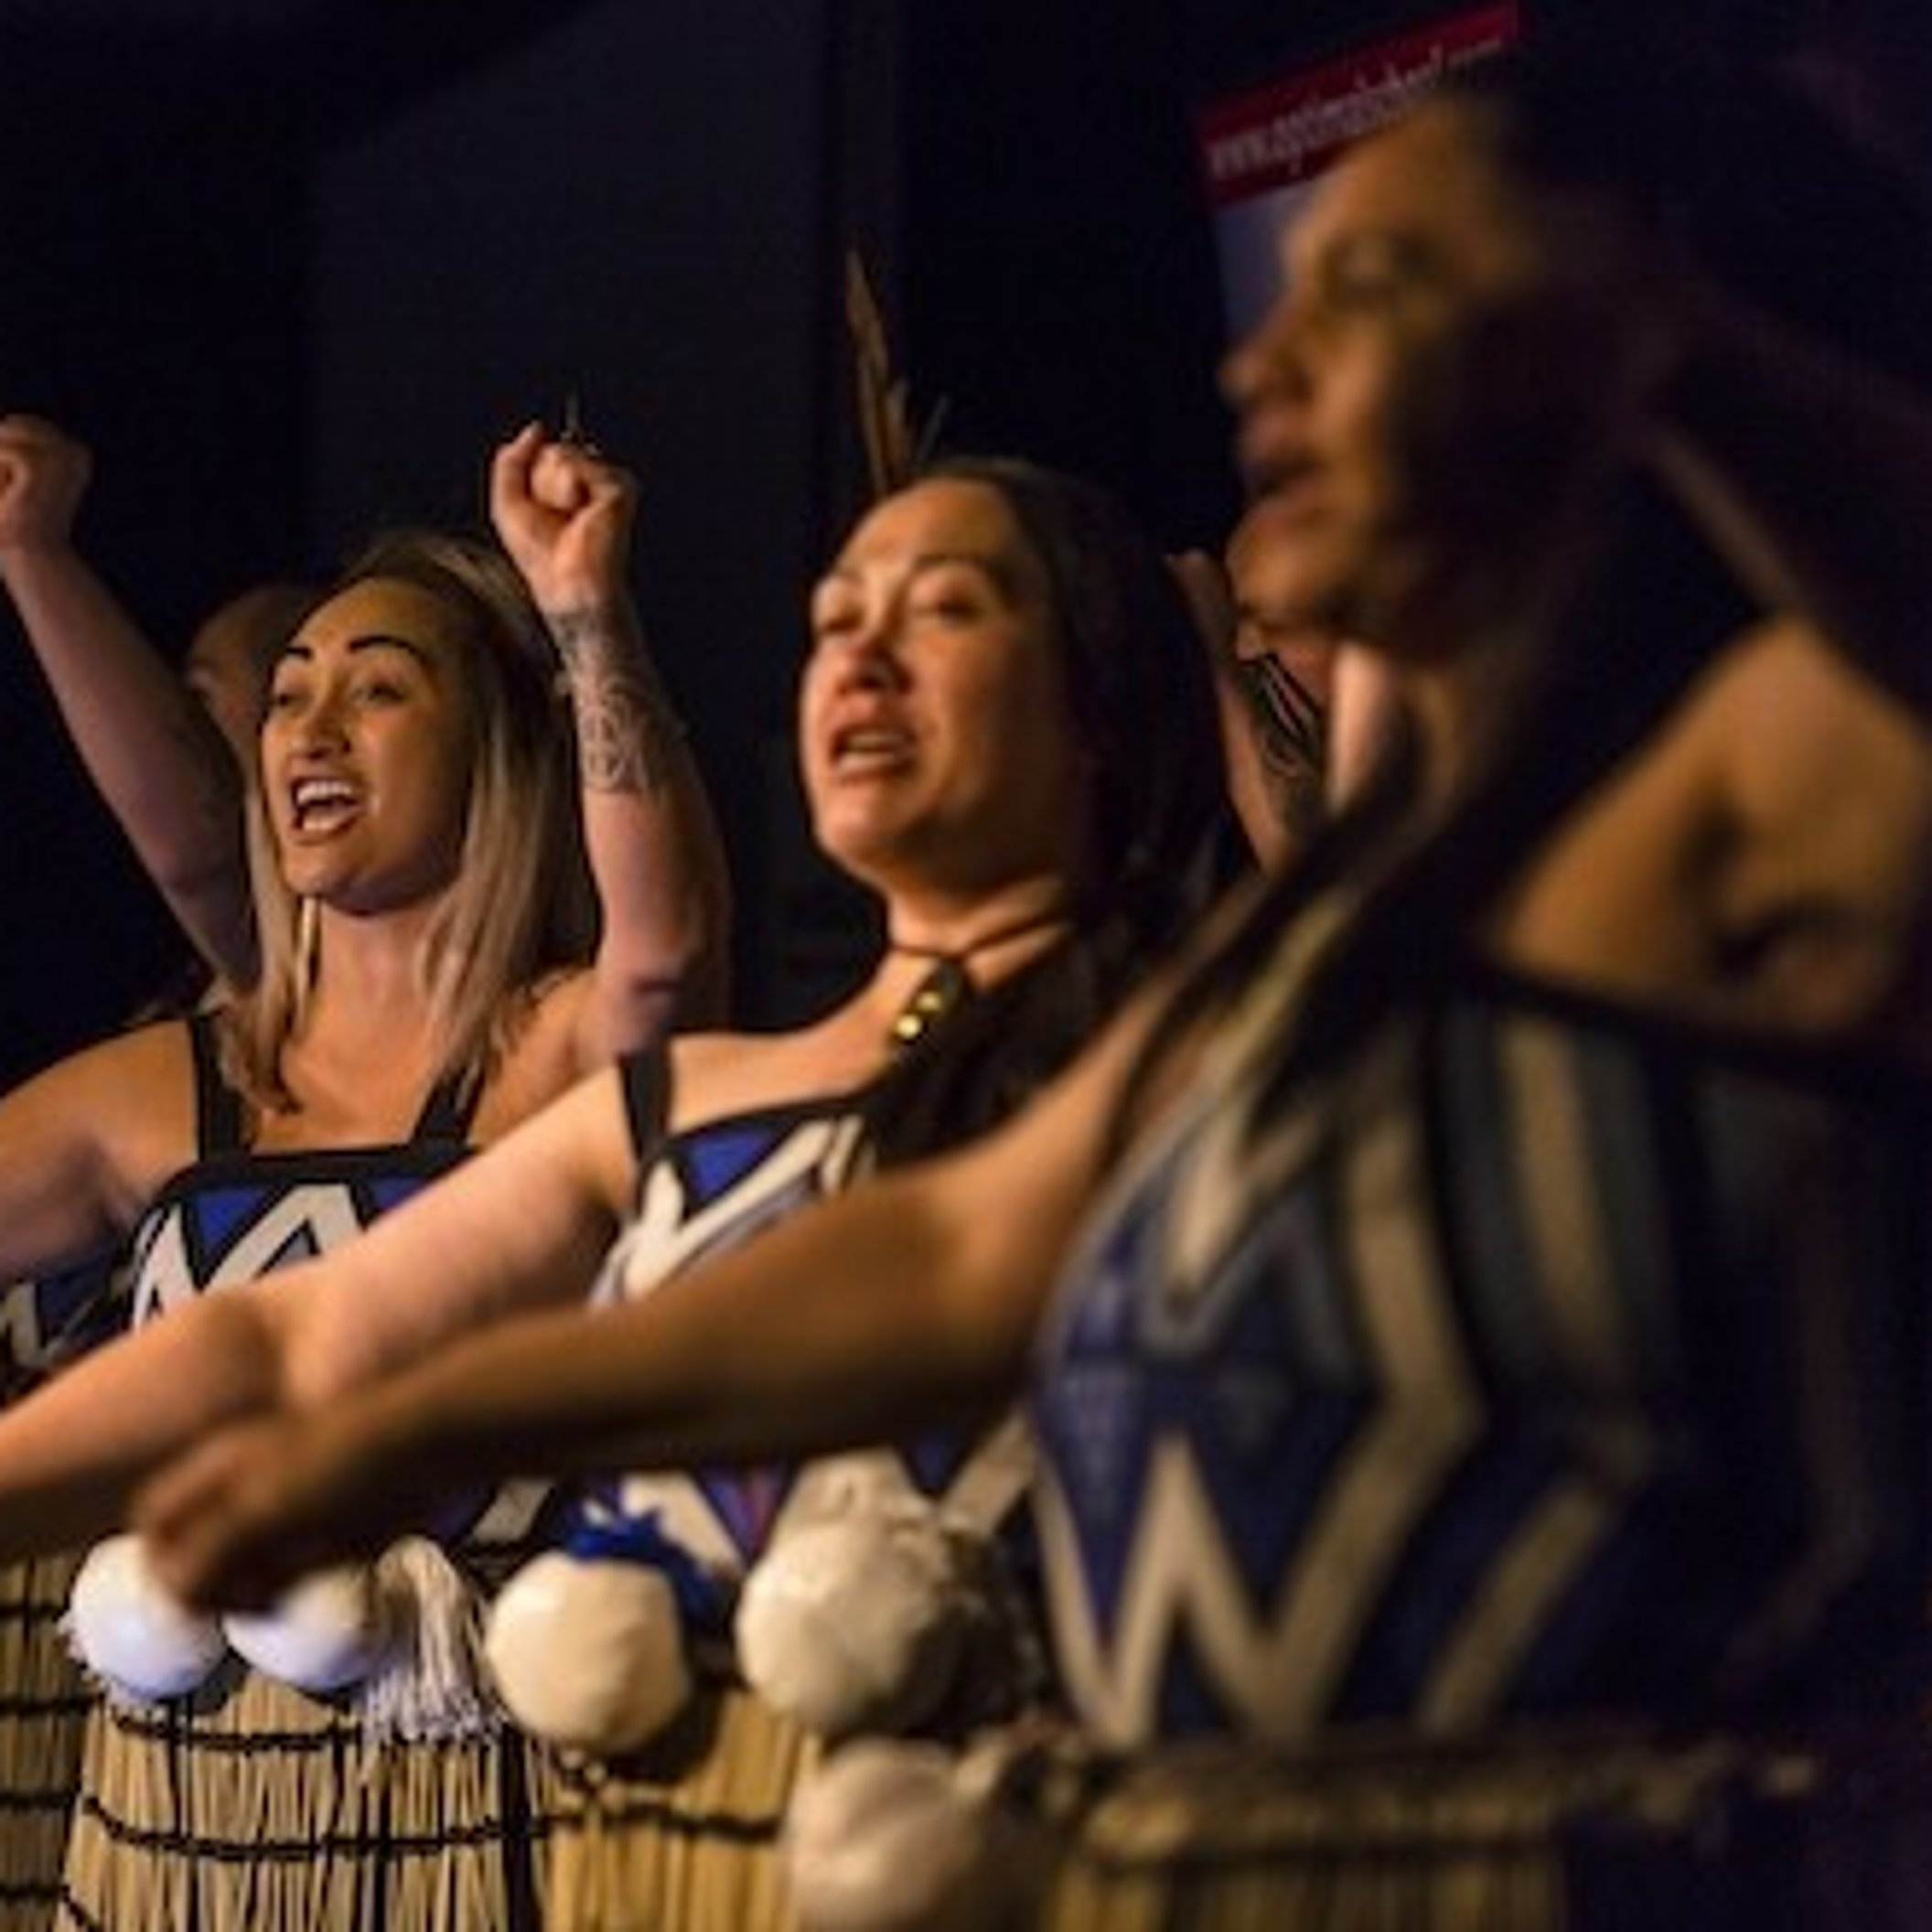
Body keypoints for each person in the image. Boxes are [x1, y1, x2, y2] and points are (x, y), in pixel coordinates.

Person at [140, 37, 1932, 1927]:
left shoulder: (1780, 771)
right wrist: (435, 1420)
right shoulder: (1337, 932)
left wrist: (1704, 373)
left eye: (1376, 289)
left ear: (1643, 311)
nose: (1262, 365)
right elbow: (959, 1256)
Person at [0, 454, 1223, 1929]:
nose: (860, 656)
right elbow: (284, 1338)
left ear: (1102, 702)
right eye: (833, 619)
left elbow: (931, 1269)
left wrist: (406, 1428)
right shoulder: (688, 1106)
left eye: (944, 608)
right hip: (673, 1851)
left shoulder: (1204, 1046)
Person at [0, 419, 733, 1932]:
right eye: (287, 700)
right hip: (176, 1840)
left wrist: (584, 611)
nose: (310, 731)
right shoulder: (167, 1096)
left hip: (489, 1830)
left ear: (497, 747)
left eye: (380, 690)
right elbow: (195, 857)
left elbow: (667, 957)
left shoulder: (550, 1061)